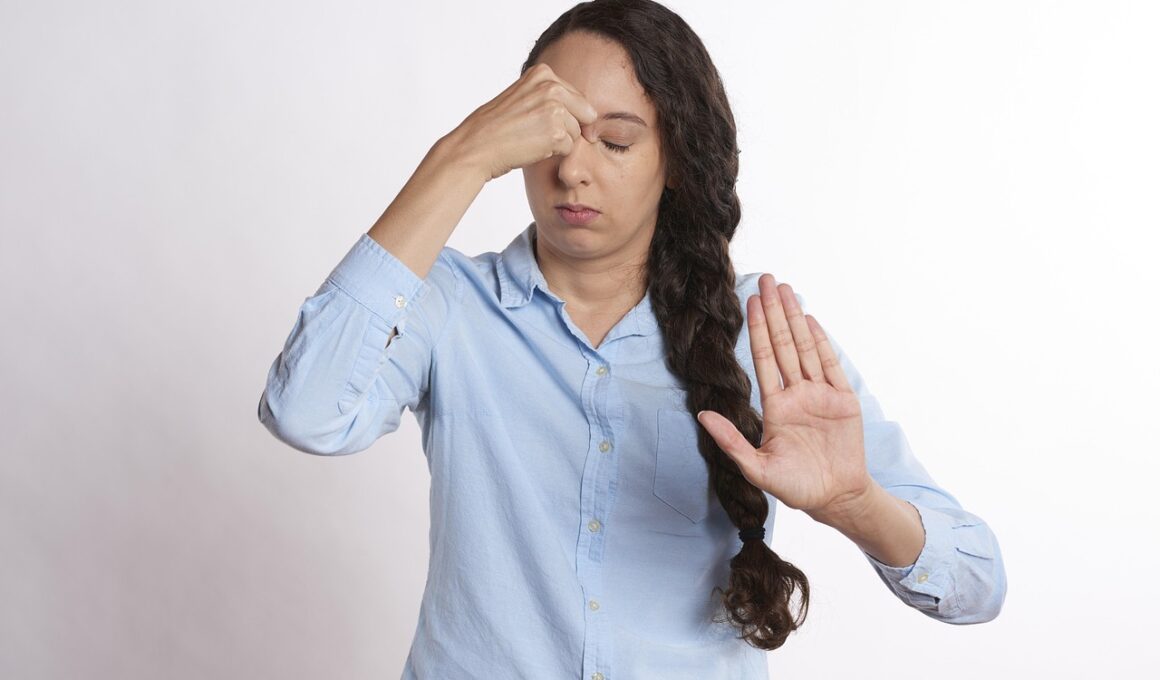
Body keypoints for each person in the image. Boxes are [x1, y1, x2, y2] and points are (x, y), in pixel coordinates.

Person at [257, 0, 1006, 677]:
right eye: (547, 136)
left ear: (674, 160)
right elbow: (305, 412)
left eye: (614, 142)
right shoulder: (447, 302)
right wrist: (459, 159)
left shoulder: (761, 334)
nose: (571, 170)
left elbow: (975, 584)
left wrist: (853, 502)